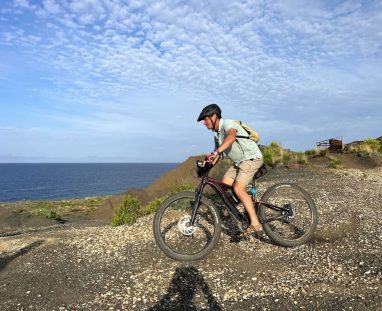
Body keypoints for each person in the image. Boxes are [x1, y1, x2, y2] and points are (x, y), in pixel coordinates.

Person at [197, 103, 264, 237]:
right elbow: (218, 156)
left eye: (205, 119)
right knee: (225, 184)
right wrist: (207, 164)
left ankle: (255, 224)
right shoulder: (217, 135)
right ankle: (248, 202)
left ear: (214, 116)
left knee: (238, 188)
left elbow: (231, 137)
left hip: (251, 157)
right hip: (239, 162)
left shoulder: (227, 124)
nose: (204, 123)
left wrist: (216, 151)